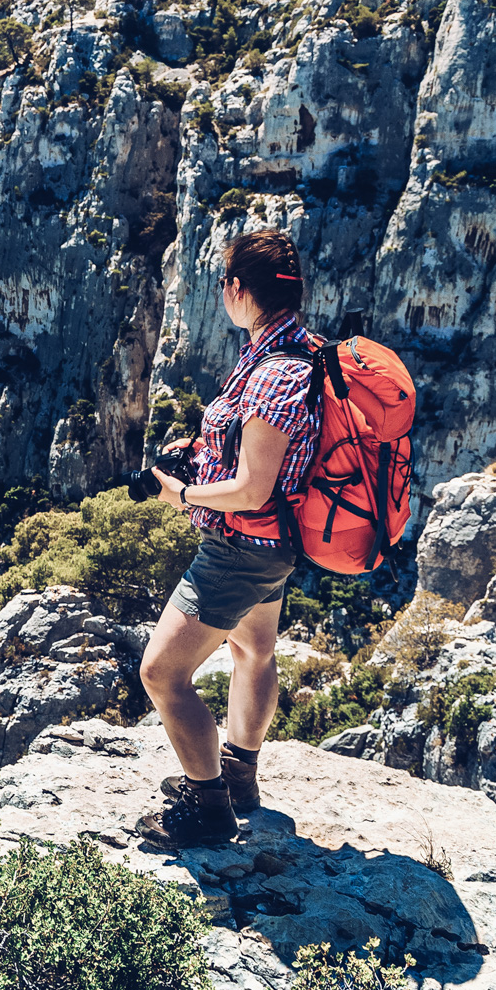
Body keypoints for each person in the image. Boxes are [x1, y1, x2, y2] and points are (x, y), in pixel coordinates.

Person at [132, 230, 321, 849]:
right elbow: (261, 450)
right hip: (276, 547)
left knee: (162, 673)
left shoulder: (278, 373)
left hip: (240, 548)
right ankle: (239, 771)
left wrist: (179, 494)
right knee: (254, 650)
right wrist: (201, 451)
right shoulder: (298, 349)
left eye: (222, 283)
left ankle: (208, 805)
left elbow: (251, 489)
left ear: (239, 289)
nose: (220, 293)